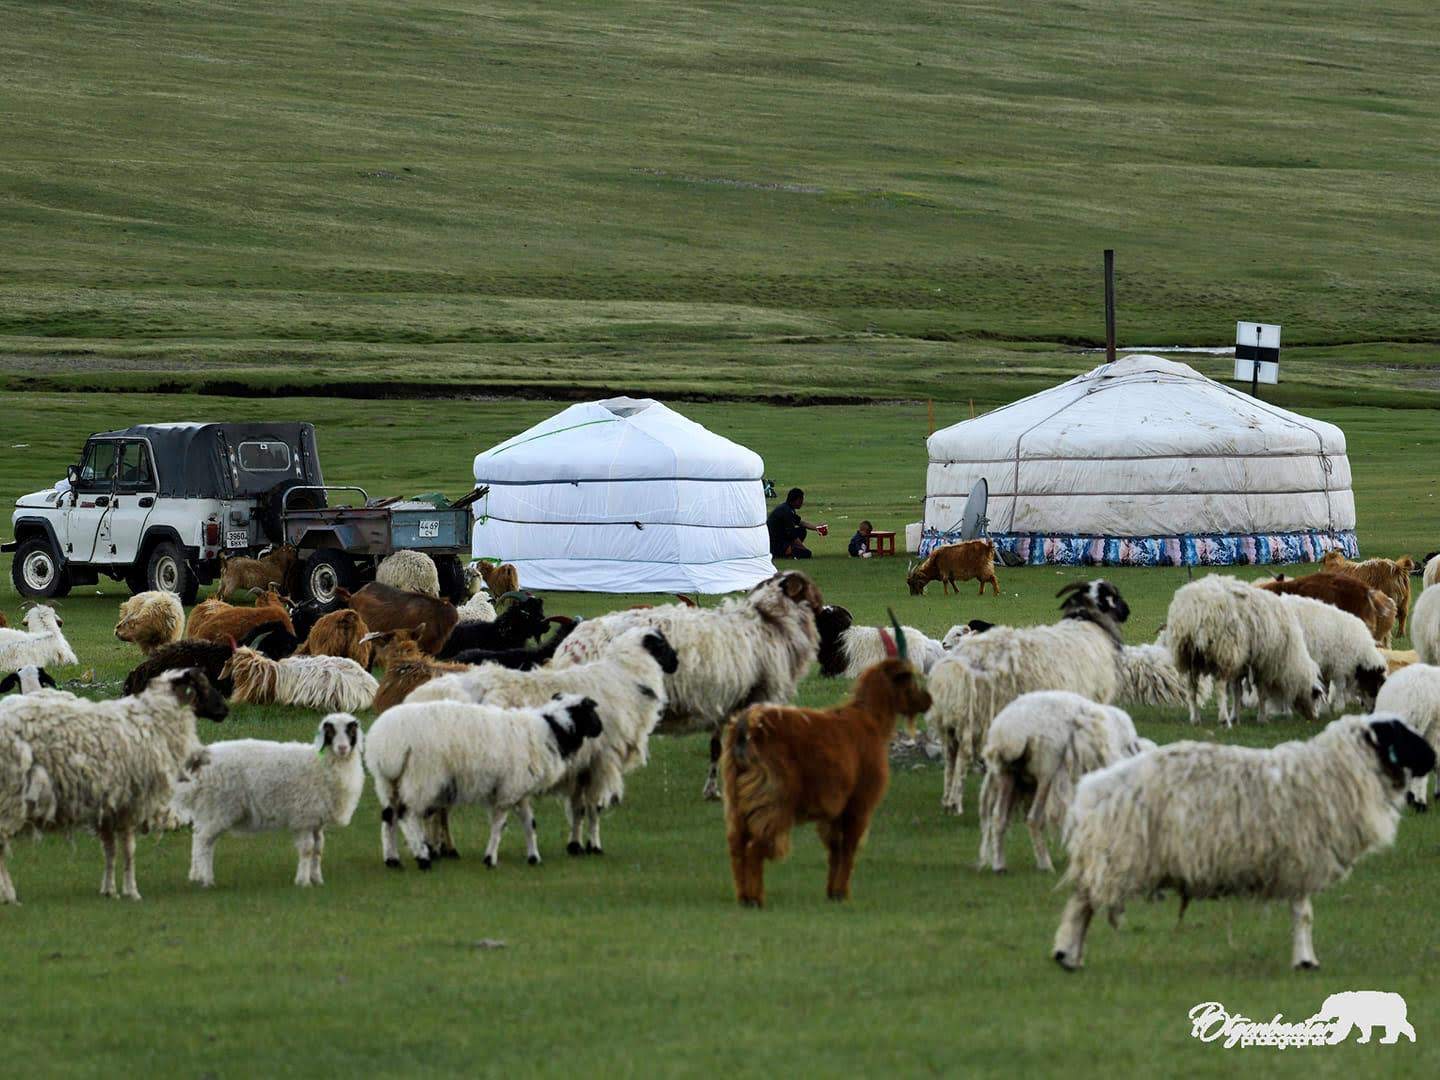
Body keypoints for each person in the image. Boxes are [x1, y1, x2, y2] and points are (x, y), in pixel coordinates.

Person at [767, 487, 828, 559]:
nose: (802, 502)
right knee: (807, 554)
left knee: (802, 530)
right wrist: (804, 549)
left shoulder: (787, 508)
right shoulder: (786, 512)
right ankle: (785, 553)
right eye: (801, 500)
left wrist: (817, 528)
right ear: (796, 500)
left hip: (781, 538)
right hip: (776, 544)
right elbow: (792, 535)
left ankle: (790, 550)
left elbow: (801, 523)